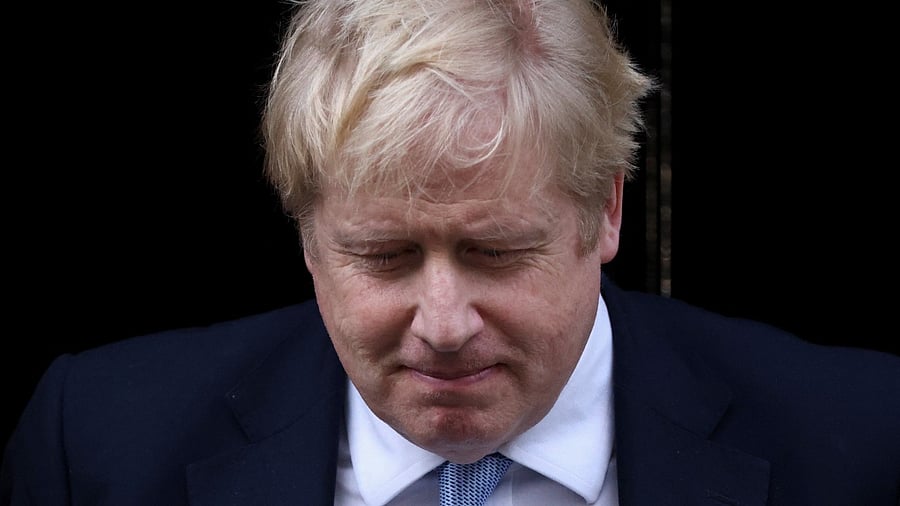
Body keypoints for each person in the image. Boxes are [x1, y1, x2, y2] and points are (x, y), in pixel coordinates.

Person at [3, 0, 899, 504]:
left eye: (497, 251)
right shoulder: (97, 451)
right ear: (307, 236)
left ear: (607, 211)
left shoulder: (865, 445)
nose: (442, 325)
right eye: (383, 255)